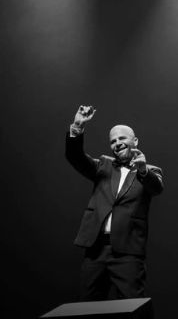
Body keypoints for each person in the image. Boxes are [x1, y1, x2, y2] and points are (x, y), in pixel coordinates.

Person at [65, 105, 163, 300]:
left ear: (135, 141)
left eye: (122, 138)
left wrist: (142, 170)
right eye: (113, 141)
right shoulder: (103, 165)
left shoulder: (150, 170)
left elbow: (156, 188)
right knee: (88, 307)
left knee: (132, 306)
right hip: (95, 249)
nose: (117, 143)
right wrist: (77, 126)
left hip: (127, 251)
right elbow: (75, 157)